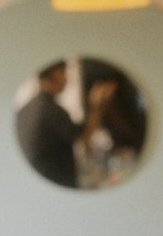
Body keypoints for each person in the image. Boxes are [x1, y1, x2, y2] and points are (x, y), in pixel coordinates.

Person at [15, 60, 113, 188]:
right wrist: (97, 105)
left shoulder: (25, 108)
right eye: (65, 73)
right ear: (55, 73)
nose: (68, 79)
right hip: (57, 185)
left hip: (37, 183)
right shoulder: (51, 110)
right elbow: (84, 137)